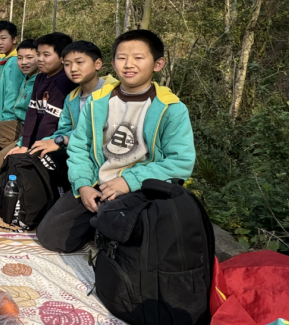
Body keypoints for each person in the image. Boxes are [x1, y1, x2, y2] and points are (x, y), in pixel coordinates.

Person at [36, 30, 196, 253]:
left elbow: (181, 162)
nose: (129, 64)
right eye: (122, 58)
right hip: (98, 182)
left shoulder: (171, 108)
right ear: (113, 63)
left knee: (133, 244)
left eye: (138, 58)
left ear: (158, 64)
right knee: (51, 237)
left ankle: (107, 228)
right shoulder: (98, 101)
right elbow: (80, 146)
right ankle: (101, 225)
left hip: (140, 187)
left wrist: (129, 181)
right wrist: (83, 185)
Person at [27, 41, 117, 160]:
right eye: (67, 64)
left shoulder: (114, 93)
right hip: (78, 152)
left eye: (79, 62)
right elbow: (64, 129)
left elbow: (99, 132)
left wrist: (62, 139)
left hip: (109, 157)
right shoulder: (71, 98)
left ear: (97, 64)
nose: (73, 69)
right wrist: (48, 141)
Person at [7, 32, 76, 161]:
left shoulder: (64, 81)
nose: (40, 59)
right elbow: (32, 113)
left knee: (10, 163)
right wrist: (25, 145)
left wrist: (35, 151)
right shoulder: (40, 78)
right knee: (4, 159)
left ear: (62, 57)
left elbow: (50, 121)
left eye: (46, 55)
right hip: (36, 138)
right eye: (38, 54)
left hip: (54, 142)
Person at [0, 40, 42, 167]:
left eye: (29, 57)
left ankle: (29, 155)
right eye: (20, 58)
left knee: (0, 160)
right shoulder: (26, 77)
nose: (24, 62)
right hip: (20, 123)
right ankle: (20, 150)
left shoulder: (40, 81)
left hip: (32, 129)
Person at [0, 21, 23, 123]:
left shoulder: (14, 62)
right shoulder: (6, 60)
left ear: (14, 39)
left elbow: (12, 93)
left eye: (3, 38)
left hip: (5, 119)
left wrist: (7, 121)